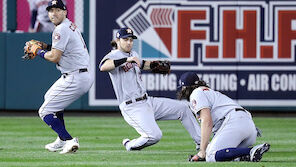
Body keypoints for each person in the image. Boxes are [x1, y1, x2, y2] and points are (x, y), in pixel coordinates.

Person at [99, 27, 201, 151]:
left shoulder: (133, 54)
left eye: (131, 40)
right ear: (117, 40)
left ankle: (202, 143)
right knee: (155, 136)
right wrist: (126, 60)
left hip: (148, 101)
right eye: (125, 39)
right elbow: (103, 67)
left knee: (184, 108)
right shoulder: (113, 55)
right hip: (132, 107)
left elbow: (141, 64)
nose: (129, 42)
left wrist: (154, 65)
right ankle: (130, 145)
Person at [29, 0, 93, 154]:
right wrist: (44, 46)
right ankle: (61, 139)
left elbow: (55, 57)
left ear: (65, 12)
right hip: (79, 74)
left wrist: (38, 51)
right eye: (51, 10)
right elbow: (63, 48)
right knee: (50, 97)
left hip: (75, 77)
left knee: (44, 111)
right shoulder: (68, 25)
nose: (54, 13)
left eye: (58, 10)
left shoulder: (61, 29)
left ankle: (69, 140)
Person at [177, 72, 270, 162]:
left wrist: (202, 151)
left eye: (182, 88)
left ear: (186, 87)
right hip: (247, 126)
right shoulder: (209, 92)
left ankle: (251, 151)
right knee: (220, 154)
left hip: (234, 123)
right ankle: (245, 156)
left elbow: (207, 121)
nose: (181, 91)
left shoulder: (196, 93)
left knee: (210, 155)